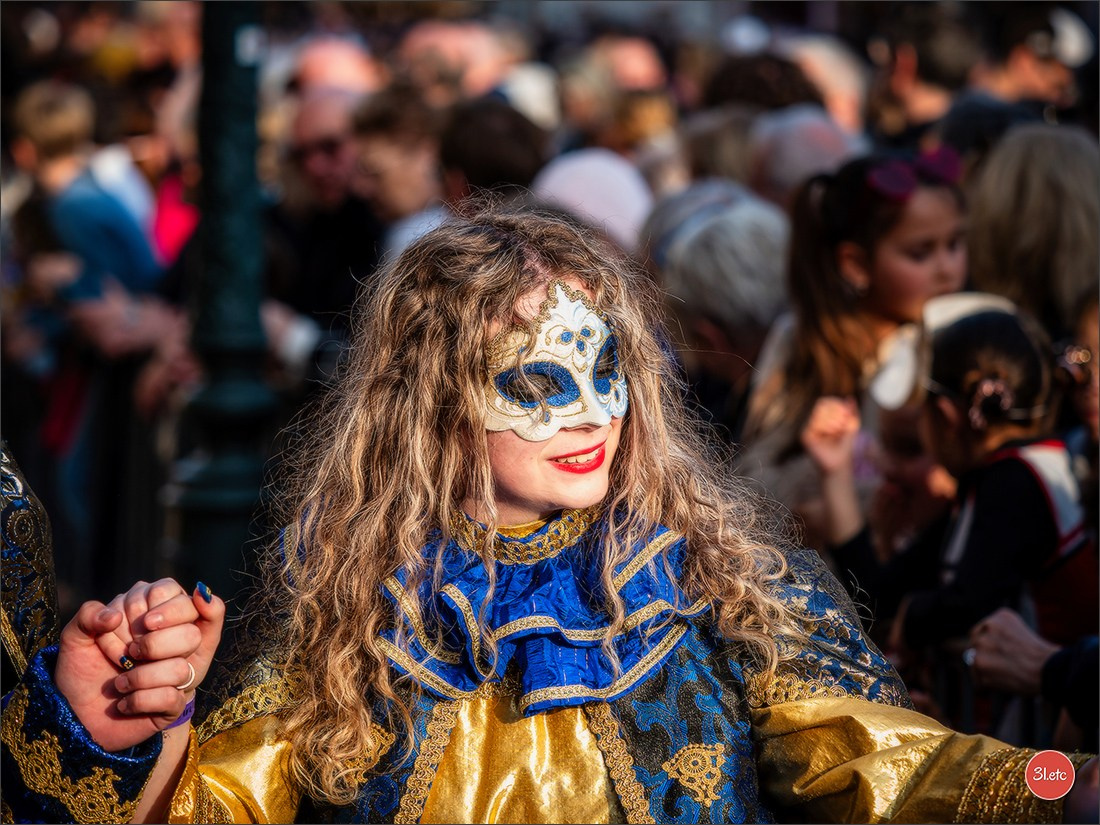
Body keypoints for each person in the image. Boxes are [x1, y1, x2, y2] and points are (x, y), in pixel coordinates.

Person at [2, 208, 1096, 824]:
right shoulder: (347, 623)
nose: (588, 414)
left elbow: (910, 769)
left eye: (604, 369)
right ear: (433, 404)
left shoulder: (715, 587)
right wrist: (117, 728)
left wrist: (1068, 782)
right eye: (533, 382)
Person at [737, 146, 966, 550]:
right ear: (856, 265)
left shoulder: (957, 344)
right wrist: (803, 510)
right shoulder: (801, 340)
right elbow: (755, 474)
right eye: (921, 252)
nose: (948, 268)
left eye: (955, 244)